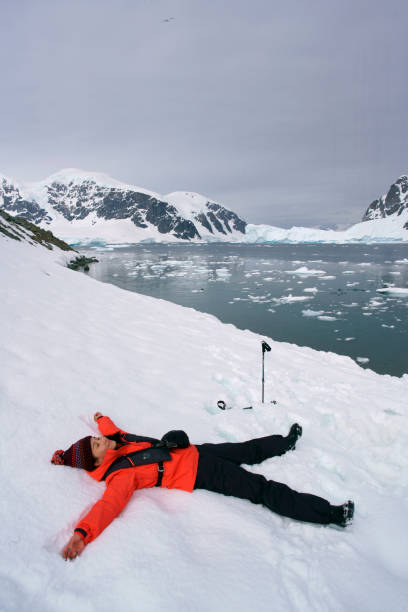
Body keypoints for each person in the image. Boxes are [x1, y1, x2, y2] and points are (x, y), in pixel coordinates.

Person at [52, 413, 355, 560]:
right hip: (200, 472)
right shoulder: (120, 476)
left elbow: (112, 430)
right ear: (96, 460)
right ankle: (331, 514)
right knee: (262, 489)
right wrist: (82, 534)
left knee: (246, 450)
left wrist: (100, 419)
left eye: (95, 438)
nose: (100, 439)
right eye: (96, 444)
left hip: (196, 451)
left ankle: (284, 443)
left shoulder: (119, 442)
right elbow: (108, 506)